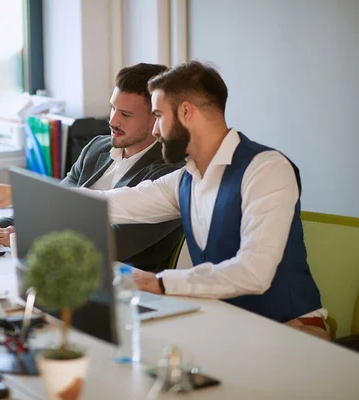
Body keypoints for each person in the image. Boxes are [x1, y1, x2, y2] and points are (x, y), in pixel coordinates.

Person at [96, 61, 327, 339]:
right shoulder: (185, 179)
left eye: (158, 115)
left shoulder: (266, 169)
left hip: (290, 330)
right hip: (227, 324)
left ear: (185, 112)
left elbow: (254, 272)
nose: (155, 130)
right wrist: (46, 201)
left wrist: (159, 282)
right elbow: (116, 202)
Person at [0, 63, 185, 273]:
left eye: (125, 114)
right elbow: (54, 204)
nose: (113, 120)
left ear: (155, 118)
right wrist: (0, 225)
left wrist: (24, 237)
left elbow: (112, 243)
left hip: (124, 285)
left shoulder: (170, 173)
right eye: (113, 108)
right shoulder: (97, 147)